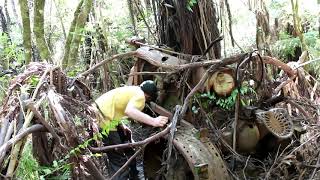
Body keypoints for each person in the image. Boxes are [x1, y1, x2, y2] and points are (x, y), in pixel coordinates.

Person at [94, 80, 168, 180]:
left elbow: (116, 107)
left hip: (100, 116)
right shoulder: (141, 97)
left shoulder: (135, 90)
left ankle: (134, 175)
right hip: (103, 121)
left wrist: (120, 125)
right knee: (117, 158)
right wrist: (154, 121)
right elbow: (130, 111)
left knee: (126, 139)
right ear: (149, 97)